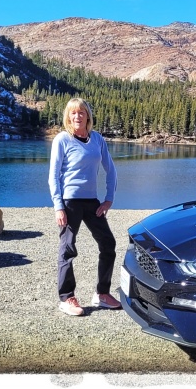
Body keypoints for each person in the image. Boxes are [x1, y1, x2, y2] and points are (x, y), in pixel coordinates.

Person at [48, 97, 122, 316]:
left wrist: (109, 199)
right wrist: (58, 206)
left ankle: (102, 294)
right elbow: (53, 176)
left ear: (88, 115)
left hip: (92, 201)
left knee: (108, 243)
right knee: (68, 247)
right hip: (70, 201)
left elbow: (111, 170)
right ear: (68, 117)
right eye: (73, 113)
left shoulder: (97, 139)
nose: (77, 116)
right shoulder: (62, 140)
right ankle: (66, 297)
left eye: (81, 112)